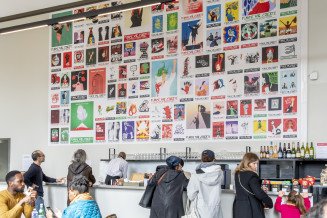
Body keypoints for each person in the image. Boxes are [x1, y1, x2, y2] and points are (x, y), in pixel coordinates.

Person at [233, 152, 273, 218]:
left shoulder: (237, 173)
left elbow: (245, 188)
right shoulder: (252, 175)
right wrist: (269, 203)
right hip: (251, 207)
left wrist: (260, 188)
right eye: (254, 163)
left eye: (257, 163)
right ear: (248, 163)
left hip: (239, 207)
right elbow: (259, 194)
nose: (256, 166)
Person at [187, 150, 224, 218]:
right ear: (213, 160)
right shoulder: (220, 173)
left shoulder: (196, 174)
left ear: (201, 160)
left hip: (199, 209)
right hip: (215, 208)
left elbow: (191, 195)